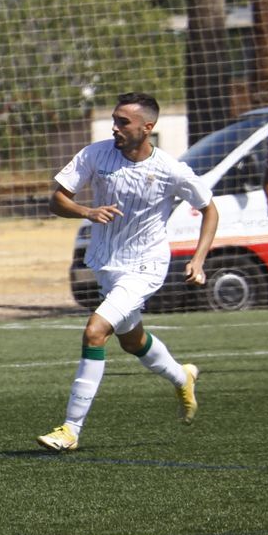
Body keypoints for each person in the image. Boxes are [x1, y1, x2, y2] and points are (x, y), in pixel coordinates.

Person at [37, 92, 218, 453]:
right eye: (114, 120)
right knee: (132, 341)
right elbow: (57, 199)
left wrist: (198, 260)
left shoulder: (170, 169)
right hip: (106, 264)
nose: (115, 128)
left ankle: (70, 429)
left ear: (147, 127)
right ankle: (181, 376)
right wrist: (87, 212)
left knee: (95, 332)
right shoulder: (95, 154)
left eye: (123, 122)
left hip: (145, 267)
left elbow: (209, 209)